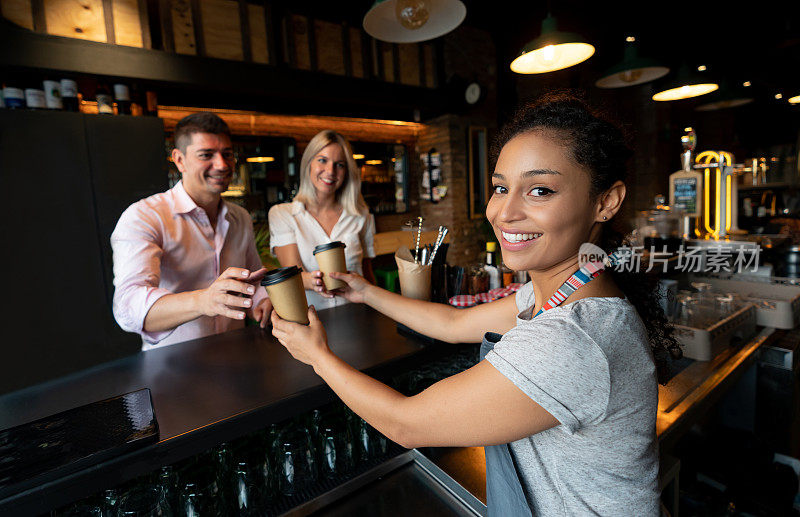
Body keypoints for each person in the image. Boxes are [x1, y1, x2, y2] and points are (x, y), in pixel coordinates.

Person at [270, 93, 680, 516]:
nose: (504, 211)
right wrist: (363, 290)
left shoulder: (574, 336)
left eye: (539, 190)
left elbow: (405, 423)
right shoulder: (569, 289)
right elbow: (451, 322)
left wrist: (317, 356)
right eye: (501, 187)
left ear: (605, 201)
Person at [111, 112, 272, 350]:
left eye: (227, 154)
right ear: (179, 160)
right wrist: (204, 300)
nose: (222, 165)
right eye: (206, 155)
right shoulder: (145, 216)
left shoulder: (240, 218)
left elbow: (253, 282)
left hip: (236, 355)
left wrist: (262, 301)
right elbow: (128, 307)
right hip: (173, 363)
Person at [268, 130, 376, 310]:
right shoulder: (282, 214)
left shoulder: (361, 215)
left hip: (358, 315)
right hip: (312, 320)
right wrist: (317, 282)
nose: (330, 171)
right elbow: (294, 275)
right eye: (322, 160)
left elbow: (368, 275)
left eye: (339, 164)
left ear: (347, 171)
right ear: (308, 163)